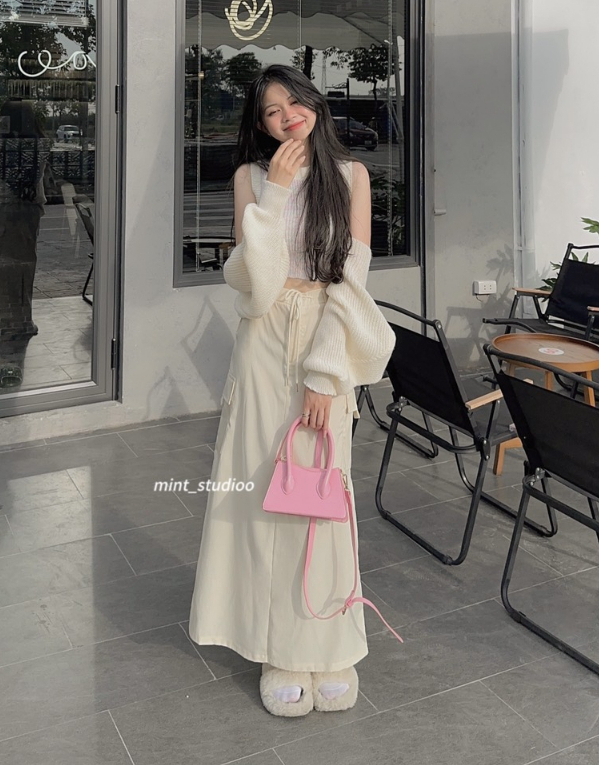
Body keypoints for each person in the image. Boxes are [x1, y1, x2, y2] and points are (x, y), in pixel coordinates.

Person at [188, 64, 396, 718]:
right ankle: (276, 645)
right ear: (261, 124)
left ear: (314, 104)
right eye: (272, 111)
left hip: (325, 331)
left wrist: (326, 373)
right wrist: (274, 195)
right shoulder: (249, 179)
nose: (287, 117)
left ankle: (328, 642)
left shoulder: (352, 177)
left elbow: (351, 281)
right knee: (261, 488)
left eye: (294, 102)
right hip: (263, 336)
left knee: (321, 492)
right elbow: (252, 279)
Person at [0, 100, 51, 339]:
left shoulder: (19, 151)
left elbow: (4, 185)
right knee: (14, 267)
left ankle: (17, 319)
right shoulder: (32, 147)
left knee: (11, 268)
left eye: (4, 118)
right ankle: (13, 317)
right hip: (21, 213)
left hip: (14, 213)